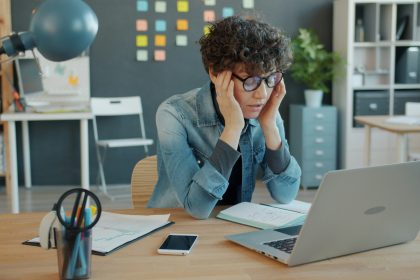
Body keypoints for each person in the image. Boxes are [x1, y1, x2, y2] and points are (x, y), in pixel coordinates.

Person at [148, 15, 301, 219]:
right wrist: (233, 128)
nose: (262, 94)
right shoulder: (175, 114)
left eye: (270, 78)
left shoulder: (264, 111)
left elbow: (286, 194)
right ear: (215, 73)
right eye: (251, 80)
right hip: (177, 227)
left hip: (231, 226)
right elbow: (197, 208)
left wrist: (270, 125)